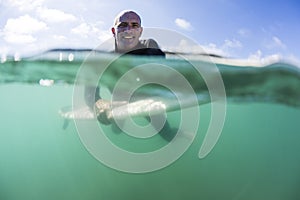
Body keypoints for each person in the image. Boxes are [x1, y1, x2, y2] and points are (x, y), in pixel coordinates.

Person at [85, 10, 174, 140]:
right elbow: (89, 91)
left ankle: (178, 135)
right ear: (113, 31)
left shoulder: (149, 46)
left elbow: (162, 74)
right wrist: (98, 103)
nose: (128, 30)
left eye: (134, 25)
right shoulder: (102, 57)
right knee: (116, 131)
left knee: (168, 135)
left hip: (145, 100)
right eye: (122, 25)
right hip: (118, 102)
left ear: (140, 31)